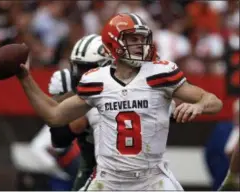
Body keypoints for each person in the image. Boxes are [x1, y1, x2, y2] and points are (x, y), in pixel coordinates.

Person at [16, 13, 223, 191]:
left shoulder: (160, 73)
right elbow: (54, 115)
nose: (140, 44)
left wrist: (199, 105)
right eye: (132, 39)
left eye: (142, 38)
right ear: (112, 44)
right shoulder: (96, 80)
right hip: (109, 180)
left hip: (152, 177)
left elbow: (213, 101)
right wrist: (25, 79)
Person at [32, 34, 113, 191]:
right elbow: (59, 136)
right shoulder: (77, 91)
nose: (80, 75)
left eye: (87, 69)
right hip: (91, 166)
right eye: (78, 68)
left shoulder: (118, 93)